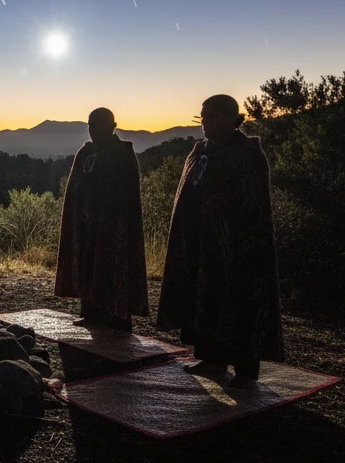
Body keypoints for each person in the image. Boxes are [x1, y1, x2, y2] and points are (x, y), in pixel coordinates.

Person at [158, 94, 284, 387]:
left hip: (238, 246)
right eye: (202, 117)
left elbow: (254, 205)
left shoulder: (247, 154)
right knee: (205, 297)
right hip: (201, 243)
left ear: (231, 119)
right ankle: (210, 358)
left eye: (212, 117)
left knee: (238, 302)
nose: (205, 123)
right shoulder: (200, 151)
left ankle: (245, 367)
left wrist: (239, 242)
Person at [54, 107, 149, 331]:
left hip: (114, 227)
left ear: (112, 126)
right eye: (90, 125)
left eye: (97, 124)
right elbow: (75, 188)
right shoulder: (86, 152)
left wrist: (114, 223)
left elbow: (127, 194)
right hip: (85, 226)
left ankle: (117, 317)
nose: (92, 129)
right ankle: (90, 314)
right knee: (87, 267)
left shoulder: (122, 153)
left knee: (113, 271)